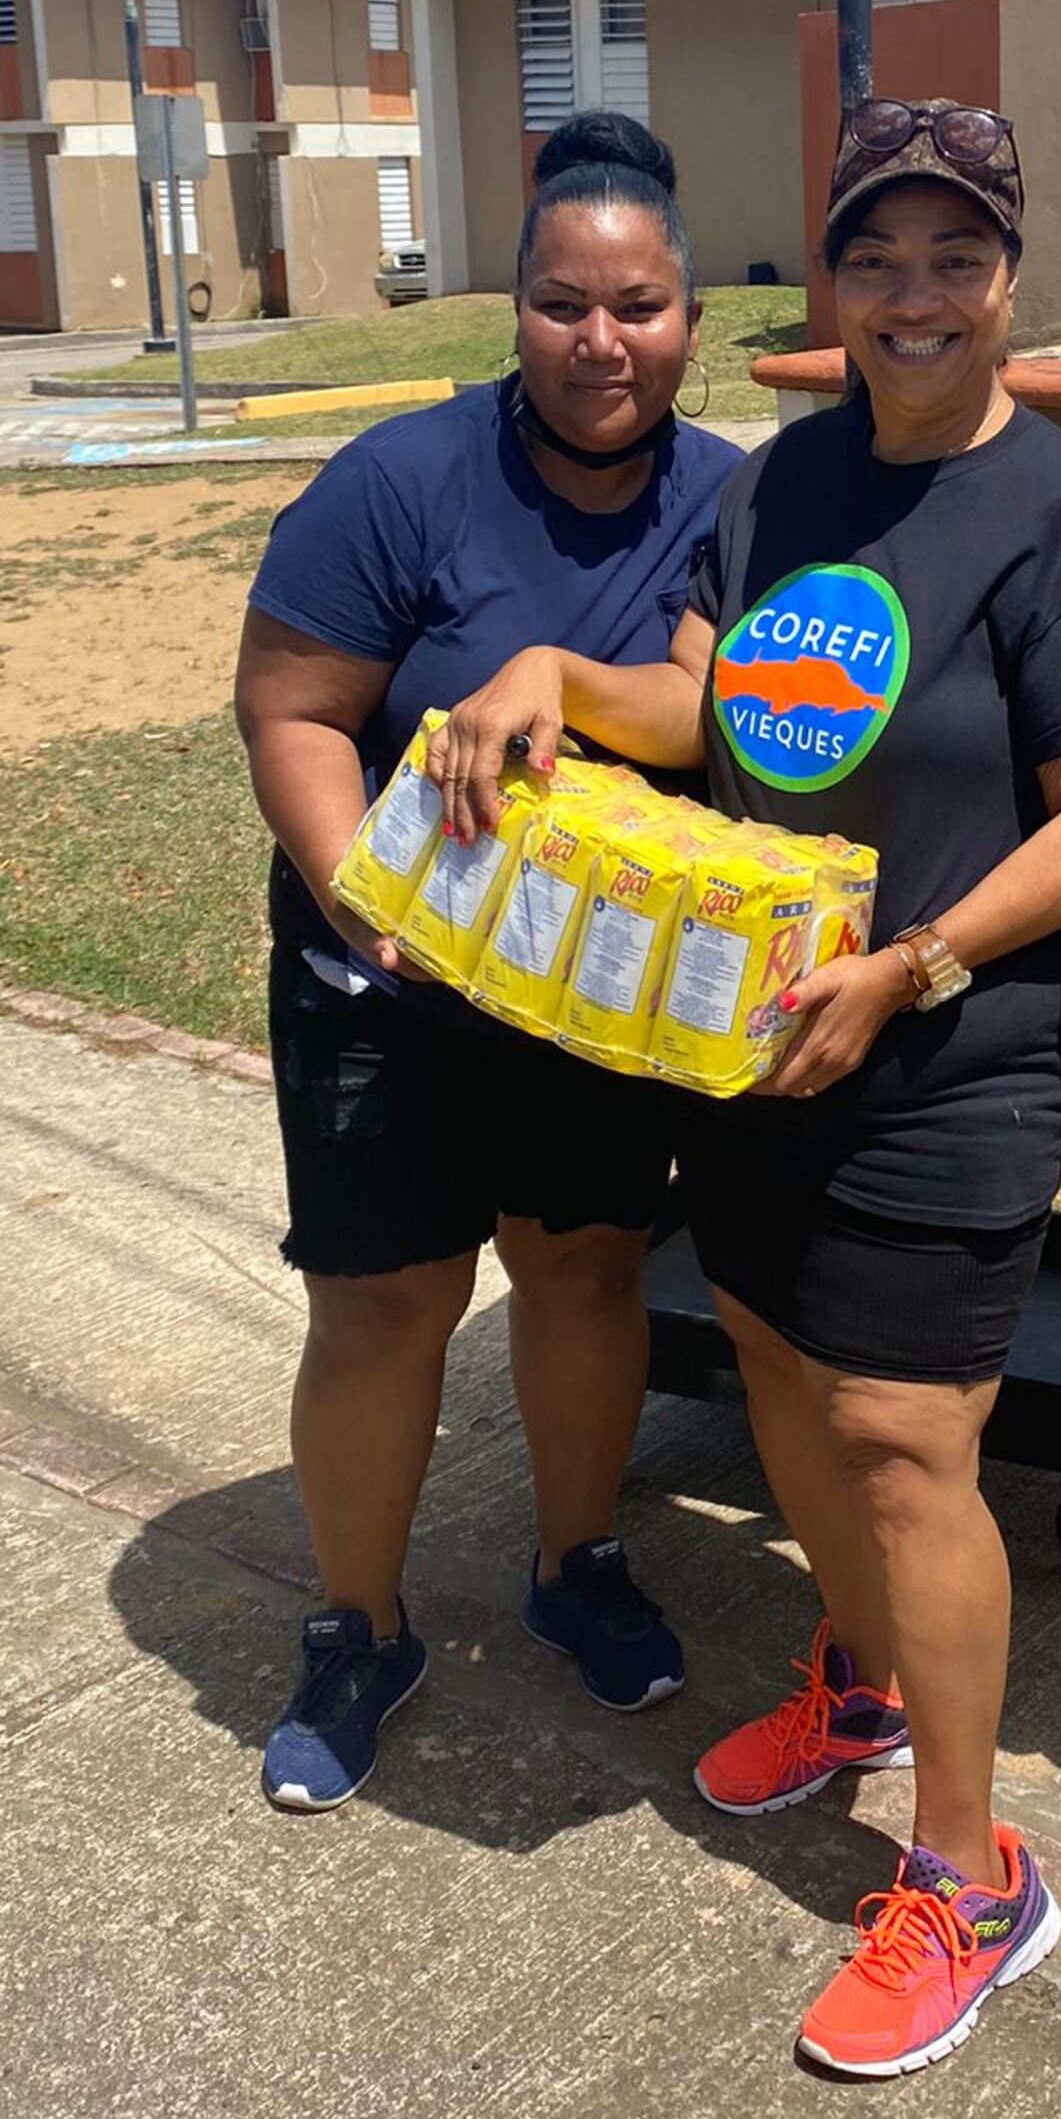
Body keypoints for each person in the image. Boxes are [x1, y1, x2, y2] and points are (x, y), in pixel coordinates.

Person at [431, 100, 1061, 2078]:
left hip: (955, 1045)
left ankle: (965, 1871)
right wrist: (547, 684)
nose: (912, 293)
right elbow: (711, 702)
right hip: (759, 1031)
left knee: (899, 1433)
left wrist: (918, 963)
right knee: (765, 1362)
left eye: (952, 256)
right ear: (828, 284)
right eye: (875, 256)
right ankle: (853, 1683)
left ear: (1006, 275)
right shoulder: (780, 487)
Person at [231, 113, 741, 1814]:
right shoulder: (400, 478)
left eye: (642, 305)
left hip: (588, 996)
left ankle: (574, 1561)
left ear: (692, 318)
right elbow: (294, 704)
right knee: (383, 1306)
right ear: (512, 310)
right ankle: (356, 1626)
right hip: (386, 983)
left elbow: (710, 707)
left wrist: (554, 674)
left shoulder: (727, 503)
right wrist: (347, 892)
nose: (603, 341)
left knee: (585, 1268)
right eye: (563, 303)